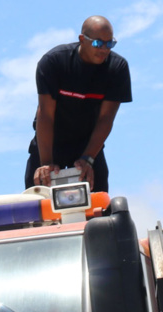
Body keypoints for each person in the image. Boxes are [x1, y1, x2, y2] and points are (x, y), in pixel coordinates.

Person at [25, 16, 132, 193]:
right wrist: (46, 164)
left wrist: (88, 158)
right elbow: (46, 114)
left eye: (109, 44)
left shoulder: (117, 68)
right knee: (36, 204)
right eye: (98, 43)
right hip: (50, 140)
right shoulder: (54, 62)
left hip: (87, 142)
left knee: (99, 203)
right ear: (82, 39)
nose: (104, 49)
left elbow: (106, 119)